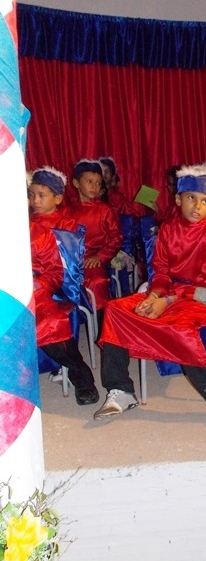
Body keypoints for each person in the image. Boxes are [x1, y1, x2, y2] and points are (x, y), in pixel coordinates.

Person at [94, 163, 206, 428]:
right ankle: (121, 389)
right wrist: (154, 296)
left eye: (205, 201)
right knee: (116, 310)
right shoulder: (167, 230)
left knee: (179, 328)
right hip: (168, 294)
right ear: (178, 199)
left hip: (203, 298)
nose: (197, 207)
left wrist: (167, 301)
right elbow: (161, 272)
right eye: (190, 198)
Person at [28, 170, 99, 406]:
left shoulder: (61, 227)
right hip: (19, 288)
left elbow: (61, 270)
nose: (35, 201)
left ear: (57, 198)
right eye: (32, 195)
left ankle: (81, 374)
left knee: (47, 320)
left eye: (41, 195)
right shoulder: (22, 224)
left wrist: (36, 285)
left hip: (53, 287)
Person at [70, 159, 122, 324]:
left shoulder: (105, 210)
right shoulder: (67, 210)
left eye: (98, 183)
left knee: (96, 282)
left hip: (95, 259)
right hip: (73, 260)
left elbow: (116, 237)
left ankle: (103, 324)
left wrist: (100, 257)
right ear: (76, 183)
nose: (94, 186)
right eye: (89, 182)